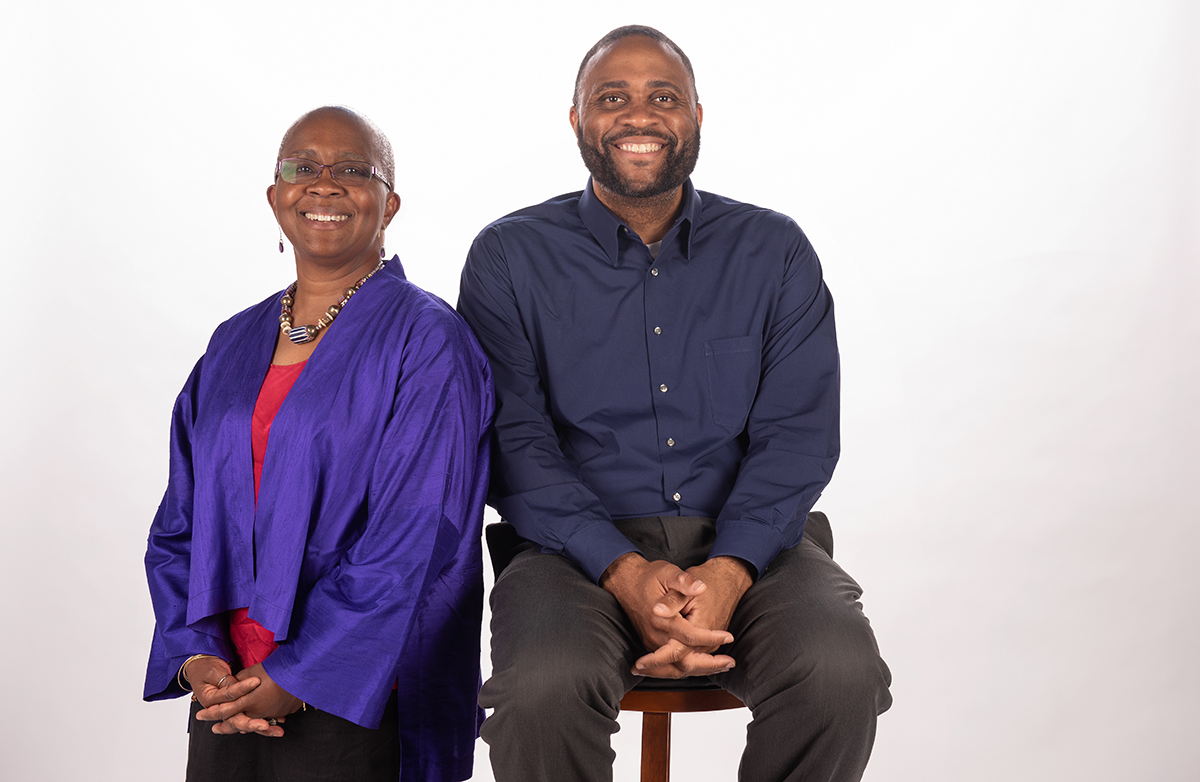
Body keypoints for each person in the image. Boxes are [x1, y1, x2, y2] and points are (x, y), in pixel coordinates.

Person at [457, 26, 892, 782]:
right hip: (572, 553)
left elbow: (798, 435)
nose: (639, 116)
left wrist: (728, 572)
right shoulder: (509, 257)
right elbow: (512, 441)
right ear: (576, 120)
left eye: (663, 97)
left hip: (757, 546)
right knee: (540, 692)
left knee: (839, 674)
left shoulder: (774, 251)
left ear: (696, 114)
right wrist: (621, 568)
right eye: (611, 98)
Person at [143, 106, 493, 782]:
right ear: (276, 197)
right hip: (231, 685)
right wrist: (198, 658)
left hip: (361, 689)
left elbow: (419, 534)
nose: (324, 184)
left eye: (354, 171)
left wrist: (300, 674)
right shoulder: (231, 343)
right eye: (303, 168)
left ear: (389, 203)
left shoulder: (428, 341)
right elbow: (180, 522)